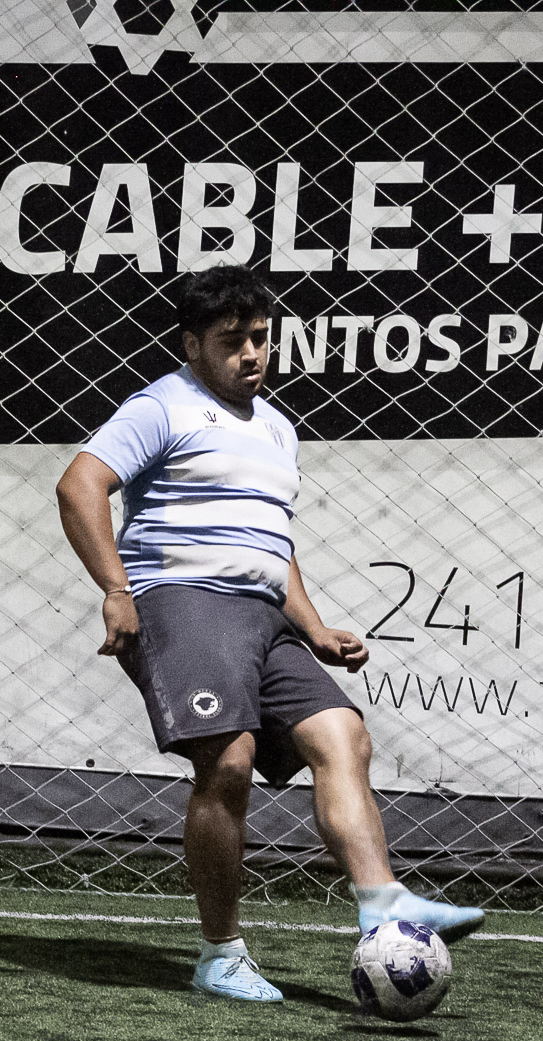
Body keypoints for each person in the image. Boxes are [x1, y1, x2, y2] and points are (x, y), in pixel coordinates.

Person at [56, 264, 486, 1003]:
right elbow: (79, 485)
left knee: (342, 735)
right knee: (229, 760)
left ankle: (384, 903)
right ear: (193, 344)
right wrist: (116, 590)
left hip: (262, 616)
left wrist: (313, 627)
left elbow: (269, 540)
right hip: (181, 599)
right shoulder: (161, 406)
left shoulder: (278, 428)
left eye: (260, 337)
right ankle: (220, 954)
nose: (252, 354)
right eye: (232, 341)